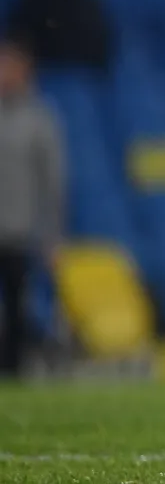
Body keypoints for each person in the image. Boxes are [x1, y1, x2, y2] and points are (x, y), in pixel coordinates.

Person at [0, 36, 66, 378]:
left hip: (18, 230)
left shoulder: (39, 118)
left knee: (17, 307)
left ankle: (13, 371)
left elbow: (52, 182)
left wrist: (52, 234)